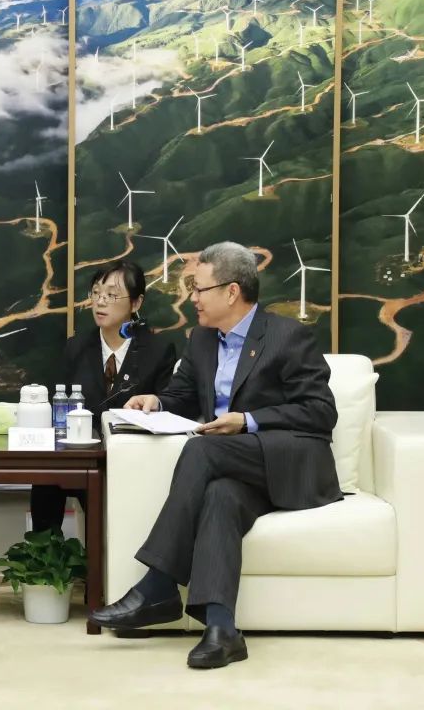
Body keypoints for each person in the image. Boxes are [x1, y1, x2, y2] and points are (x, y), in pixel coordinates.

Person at [88, 242, 340, 669]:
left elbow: (320, 412)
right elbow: (183, 396)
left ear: (232, 291)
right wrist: (156, 402)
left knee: (201, 450)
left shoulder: (287, 336)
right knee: (221, 496)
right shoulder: (203, 340)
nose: (193, 298)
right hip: (235, 468)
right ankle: (223, 632)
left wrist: (248, 420)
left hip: (288, 460)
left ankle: (158, 586)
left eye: (199, 289)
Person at [30, 260, 176, 532]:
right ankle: (46, 555)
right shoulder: (76, 348)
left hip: (132, 462)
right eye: (96, 293)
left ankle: (100, 558)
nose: (100, 301)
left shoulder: (158, 351)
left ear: (136, 303)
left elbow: (168, 412)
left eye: (111, 295)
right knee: (46, 477)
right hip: (81, 459)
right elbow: (56, 406)